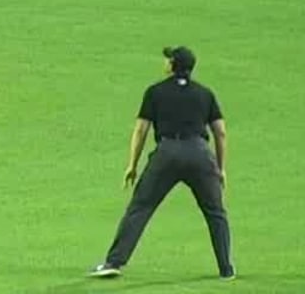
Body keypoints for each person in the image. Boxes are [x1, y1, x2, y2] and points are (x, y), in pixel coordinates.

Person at [89, 46, 234, 281]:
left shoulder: (155, 92)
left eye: (168, 59)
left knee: (141, 207)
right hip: (199, 154)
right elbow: (221, 132)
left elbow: (141, 130)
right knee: (216, 212)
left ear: (173, 65)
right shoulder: (205, 94)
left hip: (167, 153)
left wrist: (132, 165)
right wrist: (220, 167)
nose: (165, 62)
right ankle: (226, 269)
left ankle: (113, 262)